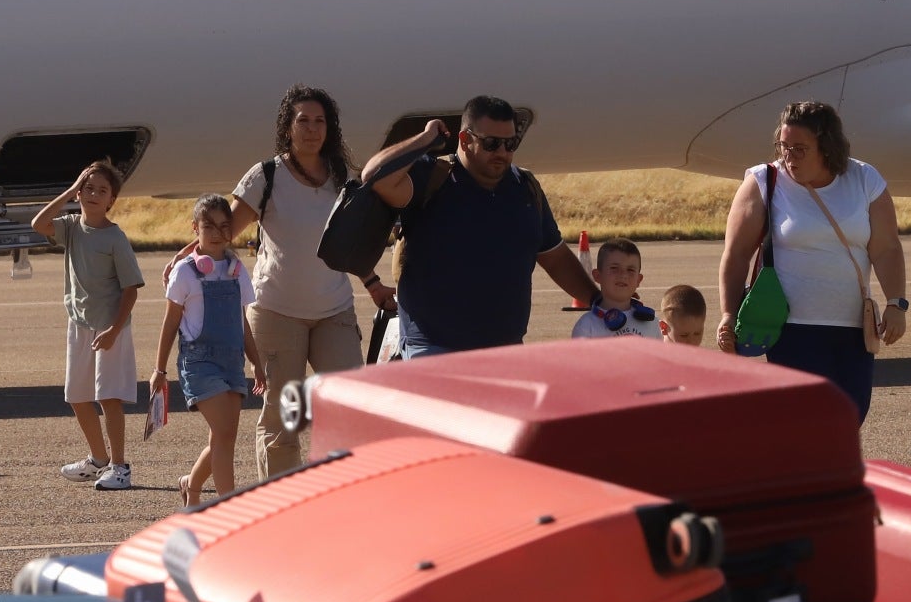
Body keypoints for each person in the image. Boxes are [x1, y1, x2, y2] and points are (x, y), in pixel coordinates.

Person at [229, 85, 392, 477]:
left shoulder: (343, 178)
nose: (312, 129)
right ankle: (284, 504)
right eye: (303, 120)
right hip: (276, 313)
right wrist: (192, 255)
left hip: (333, 311)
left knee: (350, 406)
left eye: (320, 121)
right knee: (283, 420)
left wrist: (372, 283)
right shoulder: (265, 176)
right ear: (288, 127)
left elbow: (347, 244)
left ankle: (343, 492)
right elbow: (221, 232)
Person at [362, 96, 597, 357]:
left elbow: (555, 259)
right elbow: (374, 177)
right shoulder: (432, 177)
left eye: (511, 144)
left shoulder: (525, 189)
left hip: (504, 351)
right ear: (464, 140)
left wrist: (599, 301)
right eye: (491, 143)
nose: (502, 152)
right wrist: (426, 139)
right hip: (432, 349)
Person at [716, 101, 908, 419]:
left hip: (854, 329)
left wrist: (896, 303)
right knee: (805, 419)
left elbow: (886, 248)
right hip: (789, 328)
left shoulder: (865, 179)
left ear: (827, 146)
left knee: (850, 417)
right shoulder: (764, 180)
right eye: (784, 146)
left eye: (800, 148)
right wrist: (727, 313)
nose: (789, 156)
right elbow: (736, 255)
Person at [31, 159, 143, 490]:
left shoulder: (114, 238)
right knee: (78, 397)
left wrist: (112, 330)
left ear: (111, 200)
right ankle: (98, 460)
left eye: (102, 190)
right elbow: (39, 223)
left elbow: (131, 290)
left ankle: (120, 467)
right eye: (88, 188)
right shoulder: (70, 226)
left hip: (110, 326)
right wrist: (68, 191)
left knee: (108, 397)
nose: (93, 194)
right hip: (79, 323)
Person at [154, 196, 269, 505]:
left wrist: (256, 363)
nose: (217, 233)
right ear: (195, 228)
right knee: (225, 435)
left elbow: (241, 321)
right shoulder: (185, 273)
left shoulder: (236, 270)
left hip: (232, 362)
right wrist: (159, 369)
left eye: (223, 226)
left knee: (222, 437)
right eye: (209, 226)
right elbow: (169, 324)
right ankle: (226, 510)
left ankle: (191, 486)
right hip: (199, 362)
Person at [570, 238, 659, 340]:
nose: (623, 275)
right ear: (598, 276)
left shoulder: (651, 323)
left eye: (630, 270)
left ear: (638, 280)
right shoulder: (586, 326)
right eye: (614, 268)